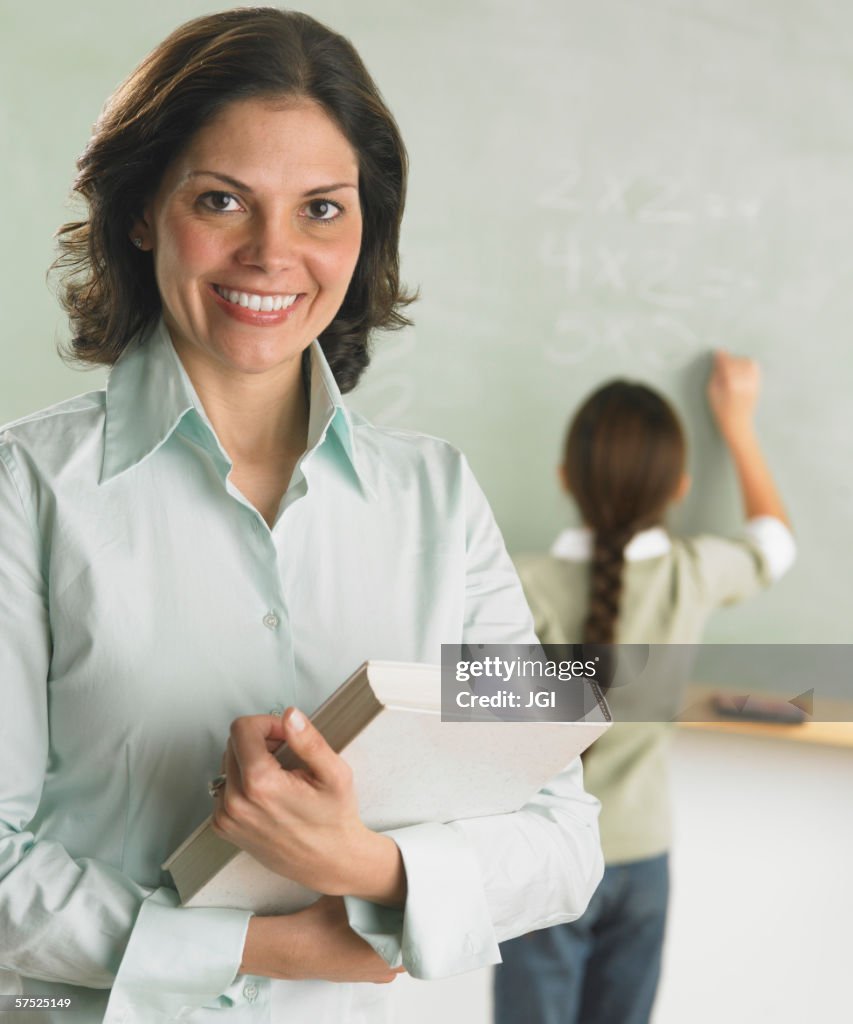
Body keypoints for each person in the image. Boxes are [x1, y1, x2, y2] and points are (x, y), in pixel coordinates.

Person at [0, 9, 605, 1023]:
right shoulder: (25, 489)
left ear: (365, 227)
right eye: (223, 200)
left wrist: (365, 862)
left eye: (321, 208)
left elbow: (561, 839)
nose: (272, 252)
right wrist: (249, 946)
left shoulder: (439, 499)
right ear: (144, 207)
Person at [493, 351, 796, 1024]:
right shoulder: (694, 573)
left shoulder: (515, 583)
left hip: (543, 855)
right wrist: (737, 424)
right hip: (644, 859)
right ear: (680, 487)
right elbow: (775, 543)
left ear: (566, 478)